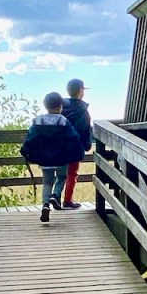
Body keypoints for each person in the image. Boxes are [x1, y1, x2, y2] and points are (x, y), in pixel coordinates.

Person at [21, 92, 85, 223]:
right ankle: (55, 195)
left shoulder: (38, 121)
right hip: (61, 158)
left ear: (45, 106)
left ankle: (45, 205)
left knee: (47, 182)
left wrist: (25, 151)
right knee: (62, 177)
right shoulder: (63, 121)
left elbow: (30, 138)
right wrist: (77, 153)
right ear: (60, 107)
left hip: (45, 159)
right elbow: (74, 138)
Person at [60, 78, 92, 210]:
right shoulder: (83, 110)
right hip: (75, 148)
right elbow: (85, 129)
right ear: (80, 91)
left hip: (59, 147)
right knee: (72, 174)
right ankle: (67, 200)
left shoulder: (60, 108)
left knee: (59, 174)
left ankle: (54, 197)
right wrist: (87, 144)